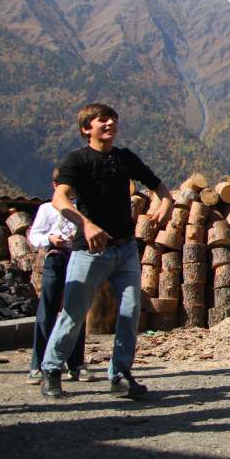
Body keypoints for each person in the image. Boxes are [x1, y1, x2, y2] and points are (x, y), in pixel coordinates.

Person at [38, 104, 173, 400]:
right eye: (103, 120)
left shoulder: (124, 158)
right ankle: (51, 369)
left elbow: (160, 187)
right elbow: (59, 198)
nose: (111, 123)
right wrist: (85, 225)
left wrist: (166, 203)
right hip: (89, 251)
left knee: (130, 312)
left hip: (125, 249)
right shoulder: (77, 160)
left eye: (113, 119)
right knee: (74, 315)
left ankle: (120, 375)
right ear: (87, 128)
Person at [25, 171, 95, 384]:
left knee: (76, 310)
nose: (70, 191)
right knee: (47, 310)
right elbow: (34, 235)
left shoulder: (81, 208)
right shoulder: (46, 208)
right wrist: (49, 238)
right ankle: (38, 365)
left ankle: (76, 364)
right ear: (55, 185)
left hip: (77, 258)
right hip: (54, 258)